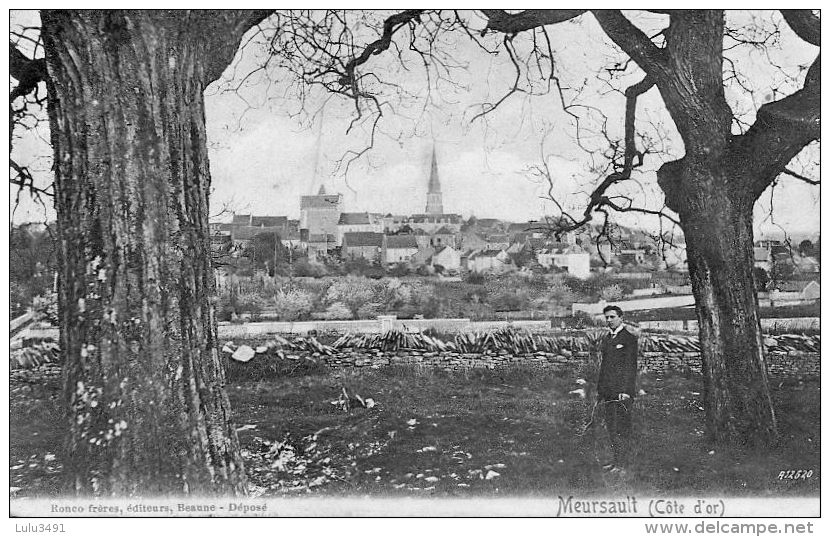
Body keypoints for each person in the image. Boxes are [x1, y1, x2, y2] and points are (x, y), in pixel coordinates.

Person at [596, 304, 638, 473]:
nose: (609, 320)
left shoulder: (629, 339)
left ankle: (624, 465)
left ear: (621, 318)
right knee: (612, 428)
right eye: (606, 317)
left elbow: (630, 367)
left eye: (612, 317)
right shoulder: (607, 339)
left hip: (622, 393)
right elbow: (604, 367)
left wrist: (626, 391)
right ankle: (616, 462)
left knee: (622, 428)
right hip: (608, 391)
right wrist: (601, 391)